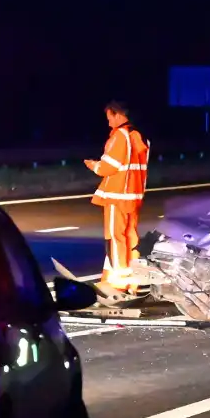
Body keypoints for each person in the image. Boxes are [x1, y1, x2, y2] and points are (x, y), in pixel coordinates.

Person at [84, 101, 150, 295]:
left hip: (117, 196)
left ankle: (118, 283)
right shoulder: (139, 137)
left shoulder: (120, 136)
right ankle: (132, 281)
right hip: (133, 196)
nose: (109, 122)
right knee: (131, 238)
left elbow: (108, 167)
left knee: (115, 238)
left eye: (110, 117)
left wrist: (93, 165)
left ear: (119, 115)